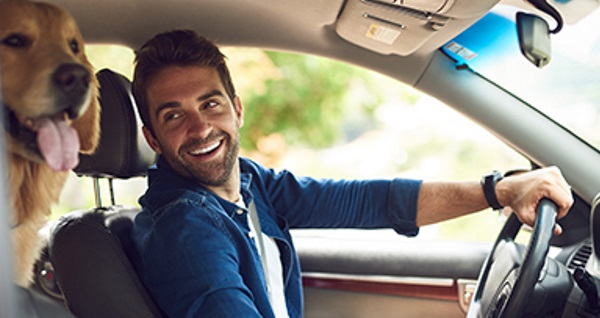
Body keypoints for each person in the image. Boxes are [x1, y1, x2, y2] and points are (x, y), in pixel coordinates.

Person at [130, 29, 573, 318]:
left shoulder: (248, 184)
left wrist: (498, 190)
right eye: (174, 116)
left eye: (210, 104)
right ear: (153, 138)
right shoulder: (185, 227)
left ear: (237, 109)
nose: (201, 127)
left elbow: (369, 200)